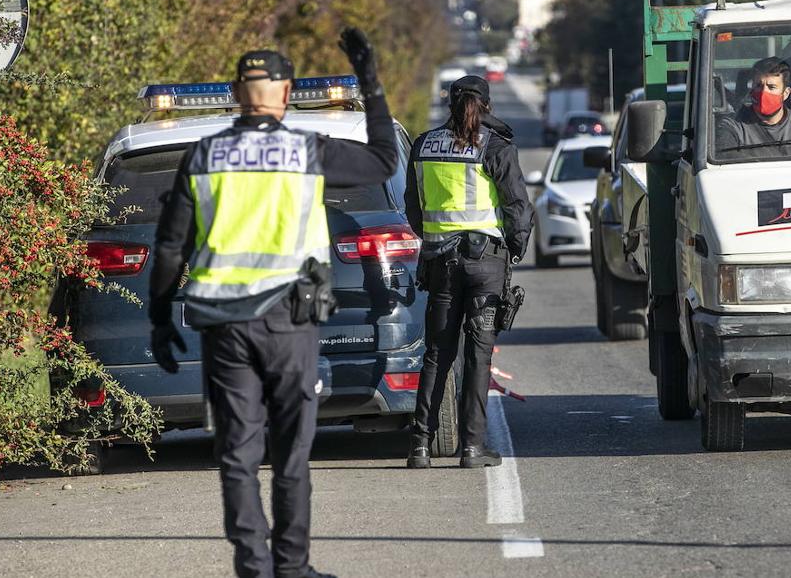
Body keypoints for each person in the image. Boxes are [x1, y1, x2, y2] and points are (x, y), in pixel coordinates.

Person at [148, 30, 396, 578]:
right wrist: (370, 83)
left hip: (224, 325)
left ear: (237, 93)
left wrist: (160, 319)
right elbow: (382, 160)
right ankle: (292, 567)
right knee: (291, 451)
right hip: (289, 321)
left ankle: (253, 568)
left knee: (237, 452)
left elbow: (171, 246)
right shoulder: (305, 150)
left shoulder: (203, 155)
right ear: (285, 94)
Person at [403, 74, 533, 470]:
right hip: (485, 264)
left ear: (449, 105)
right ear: (487, 105)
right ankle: (473, 448)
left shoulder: (423, 145)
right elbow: (517, 208)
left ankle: (420, 447)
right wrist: (514, 248)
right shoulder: (497, 146)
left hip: (441, 262)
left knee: (437, 353)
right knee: (478, 355)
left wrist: (431, 239)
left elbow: (413, 205)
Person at [716, 56, 791, 157]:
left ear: (785, 93)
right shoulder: (733, 125)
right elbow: (724, 157)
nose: (763, 92)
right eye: (758, 85)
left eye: (771, 87)